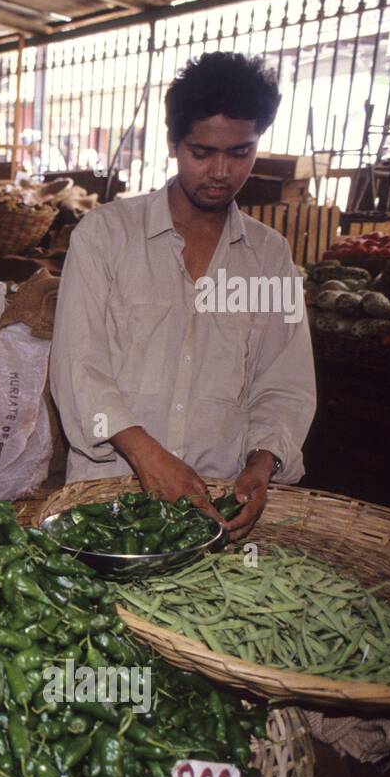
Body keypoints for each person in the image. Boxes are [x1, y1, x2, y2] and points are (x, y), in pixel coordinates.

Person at [49, 52, 315, 541]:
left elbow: (285, 382)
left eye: (240, 153)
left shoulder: (269, 256)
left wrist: (262, 462)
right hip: (108, 502)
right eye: (201, 151)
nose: (220, 171)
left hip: (219, 507)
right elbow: (77, 367)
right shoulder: (105, 236)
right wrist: (148, 456)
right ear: (173, 143)